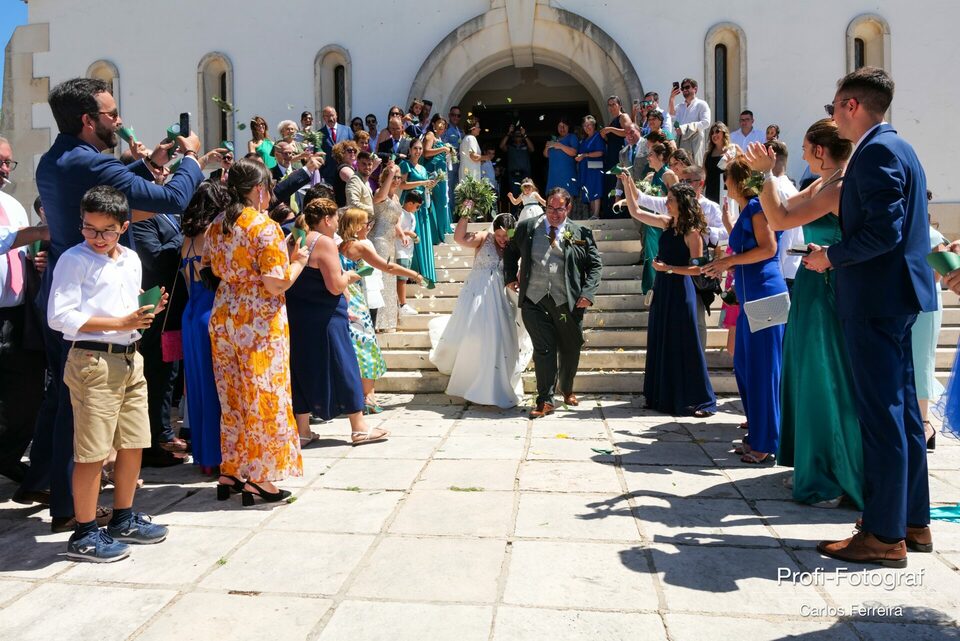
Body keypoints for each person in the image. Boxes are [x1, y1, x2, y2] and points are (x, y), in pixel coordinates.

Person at [23, 77, 205, 528]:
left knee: (64, 404)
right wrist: (190, 159)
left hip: (68, 294)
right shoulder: (92, 164)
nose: (119, 119)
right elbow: (172, 199)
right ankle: (74, 513)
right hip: (90, 308)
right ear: (88, 120)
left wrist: (147, 165)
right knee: (82, 415)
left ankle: (55, 492)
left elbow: (101, 191)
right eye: (111, 113)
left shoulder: (55, 158)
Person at [805, 67, 936, 566]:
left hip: (877, 301)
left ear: (852, 105)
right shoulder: (900, 147)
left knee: (880, 416)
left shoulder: (877, 151)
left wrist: (830, 257)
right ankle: (912, 521)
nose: (831, 114)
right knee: (901, 415)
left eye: (833, 105)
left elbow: (884, 231)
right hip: (893, 299)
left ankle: (883, 535)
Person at [743, 120, 862, 509]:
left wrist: (765, 176)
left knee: (825, 376)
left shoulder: (840, 186)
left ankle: (836, 469)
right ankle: (816, 463)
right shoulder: (821, 182)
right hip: (812, 282)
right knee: (808, 373)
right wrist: (769, 177)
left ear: (821, 152)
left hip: (828, 288)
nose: (805, 152)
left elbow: (778, 220)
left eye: (808, 146)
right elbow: (788, 207)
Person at [48, 185, 170, 562]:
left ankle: (123, 518)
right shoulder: (74, 259)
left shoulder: (131, 259)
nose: (96, 238)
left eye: (106, 230)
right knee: (92, 452)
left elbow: (125, 307)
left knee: (133, 441)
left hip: (130, 357)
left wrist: (143, 313)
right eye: (89, 228)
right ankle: (84, 533)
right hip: (93, 361)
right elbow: (60, 316)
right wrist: (120, 321)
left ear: (123, 226)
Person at [205, 158, 308, 506]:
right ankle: (262, 478)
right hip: (258, 319)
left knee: (232, 395)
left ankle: (231, 469)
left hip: (224, 312)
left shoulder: (217, 223)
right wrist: (298, 262)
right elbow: (275, 283)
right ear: (259, 189)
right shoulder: (264, 227)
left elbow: (209, 265)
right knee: (265, 393)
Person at [702, 155, 786, 465]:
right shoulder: (746, 210)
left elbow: (768, 249)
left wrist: (728, 262)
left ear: (739, 181)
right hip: (752, 296)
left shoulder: (757, 208)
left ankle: (767, 442)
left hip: (768, 295)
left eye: (727, 179)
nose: (724, 184)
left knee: (764, 371)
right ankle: (758, 433)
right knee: (746, 366)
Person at [286, 199, 388, 446]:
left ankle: (303, 431)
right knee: (345, 365)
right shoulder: (324, 242)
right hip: (326, 316)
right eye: (335, 219)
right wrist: (351, 275)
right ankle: (359, 427)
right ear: (327, 220)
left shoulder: (294, 239)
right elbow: (335, 286)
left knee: (301, 368)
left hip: (298, 315)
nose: (337, 224)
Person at [504, 187, 603, 418]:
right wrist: (510, 276)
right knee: (544, 348)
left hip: (567, 301)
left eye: (560, 208)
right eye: (550, 208)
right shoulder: (528, 228)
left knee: (571, 347)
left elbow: (595, 265)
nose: (555, 213)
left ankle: (566, 387)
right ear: (545, 205)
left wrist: (587, 293)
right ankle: (545, 400)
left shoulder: (581, 233)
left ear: (568, 207)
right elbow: (510, 251)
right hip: (534, 299)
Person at [621, 181, 716, 416]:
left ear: (682, 203)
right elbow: (636, 212)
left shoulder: (693, 234)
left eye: (671, 199)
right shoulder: (667, 223)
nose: (666, 202)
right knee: (660, 338)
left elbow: (698, 270)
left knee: (684, 343)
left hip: (680, 289)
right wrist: (627, 184)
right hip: (662, 287)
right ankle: (660, 396)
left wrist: (670, 268)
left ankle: (699, 399)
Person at [430, 213, 531, 407]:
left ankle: (495, 380)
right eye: (499, 235)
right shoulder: (484, 238)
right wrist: (466, 213)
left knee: (499, 336)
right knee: (474, 334)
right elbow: (460, 238)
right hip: (477, 292)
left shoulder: (514, 245)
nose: (503, 240)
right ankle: (472, 379)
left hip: (500, 296)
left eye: (506, 236)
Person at [338, 208, 423, 413]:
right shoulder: (358, 247)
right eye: (366, 223)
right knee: (367, 348)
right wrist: (413, 273)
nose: (369, 226)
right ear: (357, 225)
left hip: (339, 297)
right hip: (355, 299)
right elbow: (388, 267)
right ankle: (368, 398)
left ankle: (355, 396)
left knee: (351, 348)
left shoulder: (337, 245)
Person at [0, 137, 49, 484]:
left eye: (8, 162)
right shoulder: (20, 220)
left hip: (19, 315)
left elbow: (20, 250)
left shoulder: (13, 205)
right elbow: (7, 238)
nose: (4, 169)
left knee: (29, 393)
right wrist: (50, 229)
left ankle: (8, 457)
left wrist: (38, 260)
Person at [131, 180, 189, 468]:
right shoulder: (142, 218)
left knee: (170, 371)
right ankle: (153, 441)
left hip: (173, 304)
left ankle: (163, 432)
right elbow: (153, 259)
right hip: (155, 306)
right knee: (157, 373)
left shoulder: (168, 214)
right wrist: (184, 237)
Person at [179, 181, 228, 473]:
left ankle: (204, 456)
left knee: (197, 385)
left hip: (190, 313)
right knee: (215, 385)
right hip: (212, 312)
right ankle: (217, 455)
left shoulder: (187, 239)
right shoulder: (214, 236)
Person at [914, 205, 946, 450]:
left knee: (921, 362)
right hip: (910, 303)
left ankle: (925, 423)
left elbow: (936, 274)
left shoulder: (931, 236)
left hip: (925, 304)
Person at [638, 143, 678, 299]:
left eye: (651, 155)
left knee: (661, 255)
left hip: (664, 222)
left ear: (661, 156)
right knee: (650, 256)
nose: (648, 158)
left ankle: (662, 289)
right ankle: (651, 290)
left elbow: (677, 198)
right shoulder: (650, 176)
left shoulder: (668, 175)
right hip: (651, 221)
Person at [370, 164, 406, 330]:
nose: (397, 180)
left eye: (399, 177)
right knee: (381, 278)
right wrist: (390, 173)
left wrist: (403, 234)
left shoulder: (396, 198)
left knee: (389, 278)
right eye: (394, 177)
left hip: (390, 240)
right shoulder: (379, 192)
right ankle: (376, 321)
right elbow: (380, 197)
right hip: (378, 239)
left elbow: (395, 220)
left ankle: (386, 321)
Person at [765, 140, 803, 292]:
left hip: (782, 274)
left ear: (771, 157)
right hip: (789, 271)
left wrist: (775, 275)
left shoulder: (778, 190)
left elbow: (783, 236)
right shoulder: (789, 187)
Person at [400, 142, 438, 281]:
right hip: (409, 205)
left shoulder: (422, 168)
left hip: (422, 205)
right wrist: (422, 183)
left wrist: (429, 185)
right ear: (409, 150)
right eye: (415, 148)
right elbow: (402, 185)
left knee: (422, 236)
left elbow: (424, 186)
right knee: (412, 235)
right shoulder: (405, 164)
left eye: (420, 148)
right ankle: (413, 273)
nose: (418, 151)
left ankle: (425, 272)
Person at [599, 96, 631, 218]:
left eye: (613, 104)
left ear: (620, 105)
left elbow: (628, 131)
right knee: (612, 183)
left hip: (620, 155)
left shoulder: (623, 117)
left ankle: (622, 213)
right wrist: (605, 135)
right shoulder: (613, 120)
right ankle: (613, 213)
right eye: (609, 105)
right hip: (612, 155)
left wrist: (610, 129)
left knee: (619, 182)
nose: (611, 107)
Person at [668, 78, 711, 165]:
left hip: (694, 139)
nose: (684, 90)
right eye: (682, 88)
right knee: (681, 167)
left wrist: (685, 128)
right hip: (681, 140)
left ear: (695, 89)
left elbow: (706, 122)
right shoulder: (680, 107)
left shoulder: (701, 104)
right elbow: (671, 116)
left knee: (694, 166)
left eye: (687, 87)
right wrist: (672, 98)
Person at [423, 117, 454, 238]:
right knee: (439, 200)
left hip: (442, 173)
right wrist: (443, 148)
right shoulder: (430, 135)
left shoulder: (440, 138)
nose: (442, 127)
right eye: (440, 124)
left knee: (444, 200)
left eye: (444, 125)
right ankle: (439, 232)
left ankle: (443, 228)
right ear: (433, 124)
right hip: (434, 173)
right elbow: (426, 152)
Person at [576, 116, 605, 219]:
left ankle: (596, 214)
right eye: (584, 126)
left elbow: (600, 152)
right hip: (586, 170)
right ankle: (594, 215)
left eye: (589, 125)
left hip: (595, 168)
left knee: (596, 190)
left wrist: (585, 155)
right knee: (589, 191)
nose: (587, 127)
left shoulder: (597, 136)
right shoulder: (584, 140)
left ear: (593, 125)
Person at [395, 192, 419, 317]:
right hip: (400, 249)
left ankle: (402, 303)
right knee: (402, 278)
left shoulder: (412, 216)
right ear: (410, 203)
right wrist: (408, 234)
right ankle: (403, 304)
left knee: (404, 276)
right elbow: (396, 227)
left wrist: (413, 236)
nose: (418, 209)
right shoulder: (400, 212)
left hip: (408, 249)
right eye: (417, 206)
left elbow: (411, 232)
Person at [318, 106, 354, 185]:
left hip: (346, 171)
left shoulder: (347, 130)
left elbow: (354, 148)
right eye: (327, 116)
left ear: (336, 115)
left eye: (332, 115)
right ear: (324, 118)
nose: (330, 118)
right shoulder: (319, 134)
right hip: (328, 174)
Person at [544, 117, 578, 193]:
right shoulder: (554, 139)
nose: (562, 128)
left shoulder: (572, 137)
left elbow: (574, 152)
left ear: (568, 127)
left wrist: (560, 146)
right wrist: (547, 147)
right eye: (560, 126)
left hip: (566, 175)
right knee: (554, 200)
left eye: (564, 126)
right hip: (553, 176)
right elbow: (546, 155)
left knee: (567, 199)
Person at [703, 123, 735, 203]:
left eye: (717, 131)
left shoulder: (732, 149)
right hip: (711, 191)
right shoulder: (707, 154)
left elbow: (742, 166)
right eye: (712, 133)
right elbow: (704, 175)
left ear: (724, 133)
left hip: (726, 190)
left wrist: (731, 163)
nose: (714, 134)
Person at [442, 105, 464, 215]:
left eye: (458, 115)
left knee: (456, 190)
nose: (456, 117)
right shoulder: (446, 129)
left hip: (459, 165)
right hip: (450, 164)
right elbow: (443, 144)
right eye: (453, 115)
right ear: (449, 116)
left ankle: (455, 214)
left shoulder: (459, 130)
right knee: (449, 190)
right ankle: (449, 215)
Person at [329, 140, 360, 207]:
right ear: (341, 153)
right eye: (349, 150)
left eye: (354, 150)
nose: (352, 152)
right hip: (345, 209)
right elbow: (358, 183)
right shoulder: (344, 169)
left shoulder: (350, 167)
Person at [345, 150, 375, 216]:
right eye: (364, 164)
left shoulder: (365, 181)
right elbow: (352, 203)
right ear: (357, 164)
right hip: (356, 222)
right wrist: (373, 210)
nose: (367, 167)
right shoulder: (354, 180)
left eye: (369, 164)